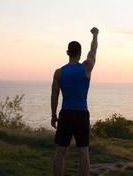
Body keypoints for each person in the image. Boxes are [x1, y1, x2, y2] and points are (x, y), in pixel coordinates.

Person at [51, 27, 99, 176]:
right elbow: (93, 50)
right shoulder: (86, 67)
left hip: (65, 114)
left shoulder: (59, 72)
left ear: (67, 53)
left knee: (60, 153)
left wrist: (53, 115)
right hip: (81, 114)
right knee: (84, 153)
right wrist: (95, 35)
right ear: (79, 53)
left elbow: (54, 95)